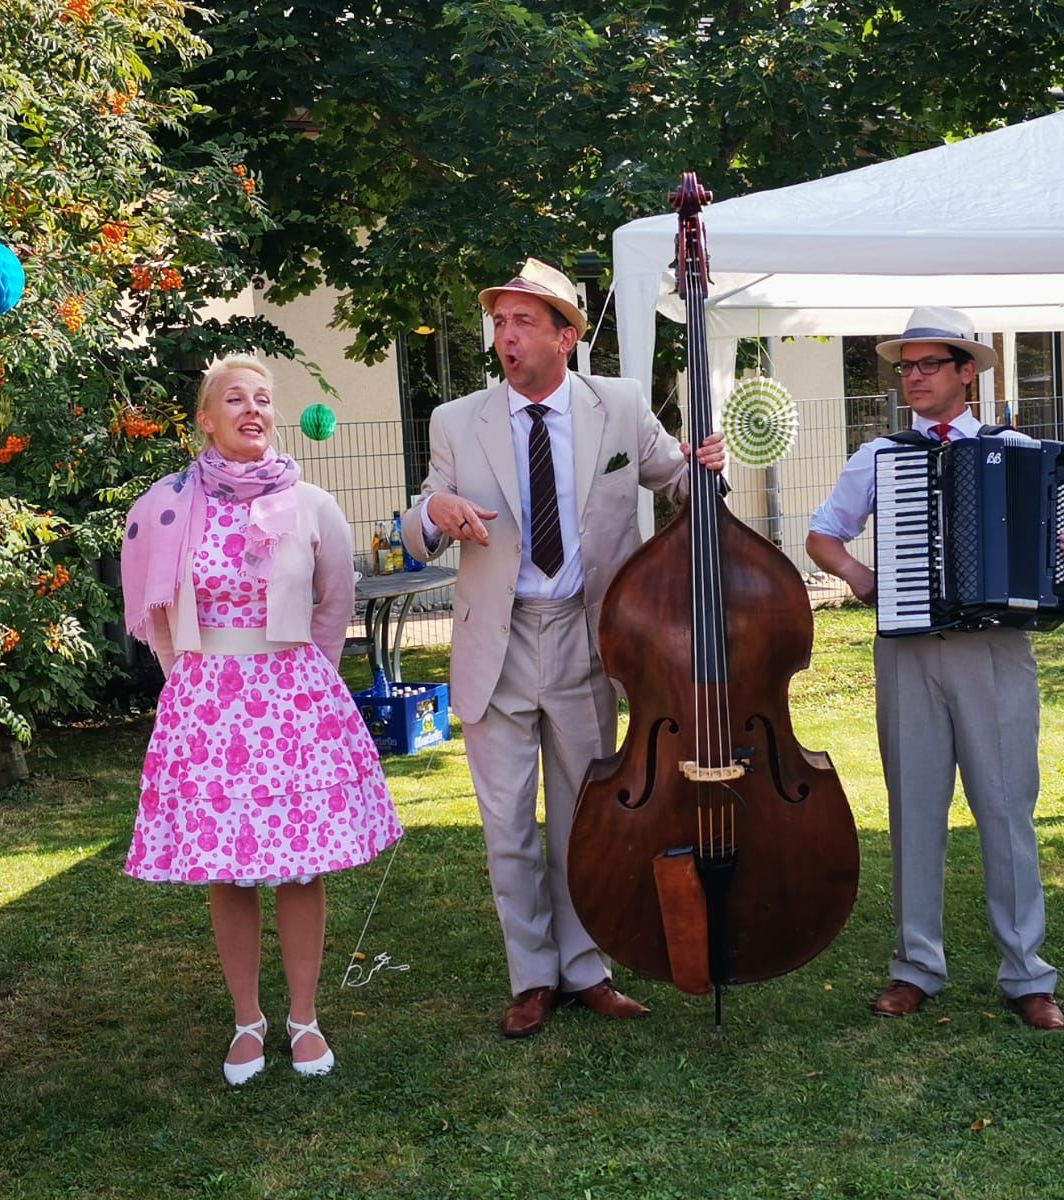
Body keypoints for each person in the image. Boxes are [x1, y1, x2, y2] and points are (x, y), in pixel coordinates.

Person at [400, 258, 726, 1038]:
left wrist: (706, 466)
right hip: (497, 644)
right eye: (498, 323)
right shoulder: (456, 420)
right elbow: (415, 526)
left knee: (586, 818)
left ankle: (586, 969)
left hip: (590, 639)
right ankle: (531, 977)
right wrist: (434, 509)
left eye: (522, 322)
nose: (505, 338)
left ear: (567, 335)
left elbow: (675, 486)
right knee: (508, 826)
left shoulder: (616, 405)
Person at [805, 306, 1064, 1030]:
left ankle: (1028, 973)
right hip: (906, 651)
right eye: (905, 367)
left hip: (994, 650)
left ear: (967, 371)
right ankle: (915, 967)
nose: (912, 377)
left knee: (1005, 809)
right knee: (913, 809)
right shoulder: (881, 456)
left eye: (927, 365)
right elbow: (822, 536)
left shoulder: (1019, 449)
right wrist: (862, 576)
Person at [121, 354, 403, 1084]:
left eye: (263, 398)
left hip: (291, 697)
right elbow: (157, 618)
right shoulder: (170, 505)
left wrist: (305, 682)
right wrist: (190, 683)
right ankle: (247, 1021)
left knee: (300, 864)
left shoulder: (313, 504)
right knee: (229, 867)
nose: (253, 409)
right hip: (207, 700)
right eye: (234, 399)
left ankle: (303, 1018)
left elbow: (335, 605)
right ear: (205, 420)